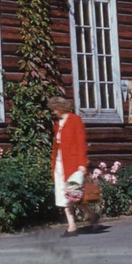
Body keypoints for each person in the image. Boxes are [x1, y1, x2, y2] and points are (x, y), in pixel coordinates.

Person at [49, 96, 88, 236]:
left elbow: (80, 142)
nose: (53, 112)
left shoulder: (75, 120)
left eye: (53, 109)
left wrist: (82, 164)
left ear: (59, 108)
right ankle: (72, 225)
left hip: (72, 164)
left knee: (73, 193)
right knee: (62, 194)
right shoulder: (58, 124)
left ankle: (89, 213)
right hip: (59, 164)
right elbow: (56, 146)